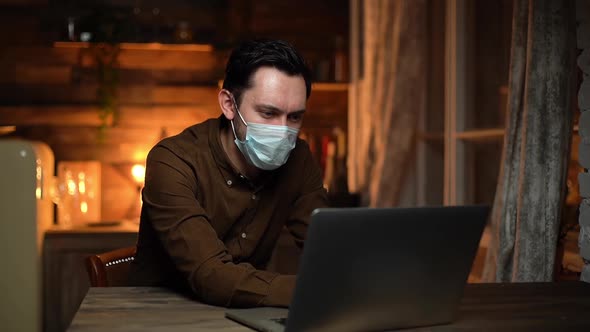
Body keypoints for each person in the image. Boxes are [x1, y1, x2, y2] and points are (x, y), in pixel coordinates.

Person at [129, 39, 328, 308]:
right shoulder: (172, 161)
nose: (282, 131)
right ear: (229, 104)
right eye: (268, 113)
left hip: (248, 313)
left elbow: (330, 249)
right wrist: (312, 290)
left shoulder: (298, 159)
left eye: (294, 117)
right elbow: (211, 275)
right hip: (159, 315)